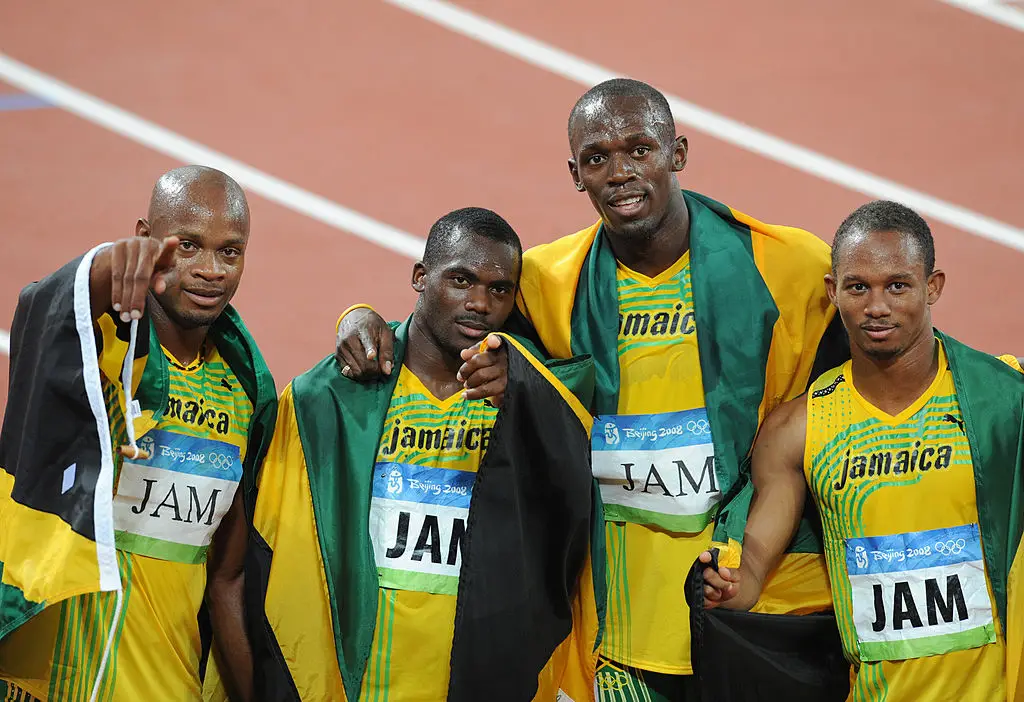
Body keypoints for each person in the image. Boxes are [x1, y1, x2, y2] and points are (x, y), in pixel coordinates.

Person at [334, 79, 850, 700]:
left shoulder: (787, 265)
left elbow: (878, 356)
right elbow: (451, 320)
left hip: (748, 602)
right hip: (615, 631)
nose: (621, 172)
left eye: (640, 149)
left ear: (678, 154)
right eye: (598, 158)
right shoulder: (551, 280)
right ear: (576, 175)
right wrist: (362, 319)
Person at [249, 207, 599, 701]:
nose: (479, 303)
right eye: (461, 280)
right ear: (420, 277)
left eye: (499, 289)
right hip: (363, 684)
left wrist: (523, 386)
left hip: (482, 681)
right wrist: (354, 316)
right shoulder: (338, 394)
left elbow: (576, 482)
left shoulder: (526, 395)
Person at [699, 200, 1024, 701]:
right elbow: (759, 553)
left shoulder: (1001, 400)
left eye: (898, 285)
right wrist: (734, 582)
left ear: (932, 287)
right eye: (858, 287)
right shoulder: (799, 427)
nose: (877, 306)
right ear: (833, 292)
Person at [0, 166, 277, 702]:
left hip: (166, 687)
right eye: (189, 246)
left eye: (230, 251)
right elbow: (48, 311)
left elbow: (227, 577)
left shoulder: (243, 390)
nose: (211, 270)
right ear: (146, 236)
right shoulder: (103, 351)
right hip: (52, 683)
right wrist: (107, 262)